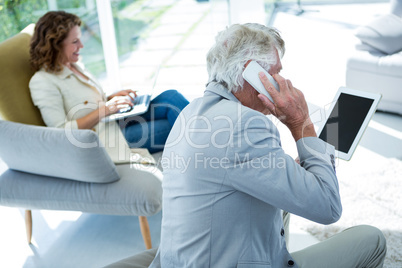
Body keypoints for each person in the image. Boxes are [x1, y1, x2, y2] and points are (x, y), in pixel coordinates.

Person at [150, 23, 387, 267]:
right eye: (277, 72)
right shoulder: (245, 124)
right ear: (252, 73)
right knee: (372, 239)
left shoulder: (190, 112)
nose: (282, 81)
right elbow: (327, 207)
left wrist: (288, 171)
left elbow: (232, 169)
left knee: (288, 196)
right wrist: (301, 122)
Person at [29, 11, 189, 163]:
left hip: (114, 120)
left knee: (171, 96)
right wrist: (106, 109)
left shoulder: (73, 65)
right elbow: (61, 131)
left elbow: (86, 100)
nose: (82, 45)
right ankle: (209, 149)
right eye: (75, 41)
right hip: (107, 138)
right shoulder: (42, 82)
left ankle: (208, 142)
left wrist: (111, 98)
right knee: (175, 125)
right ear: (55, 45)